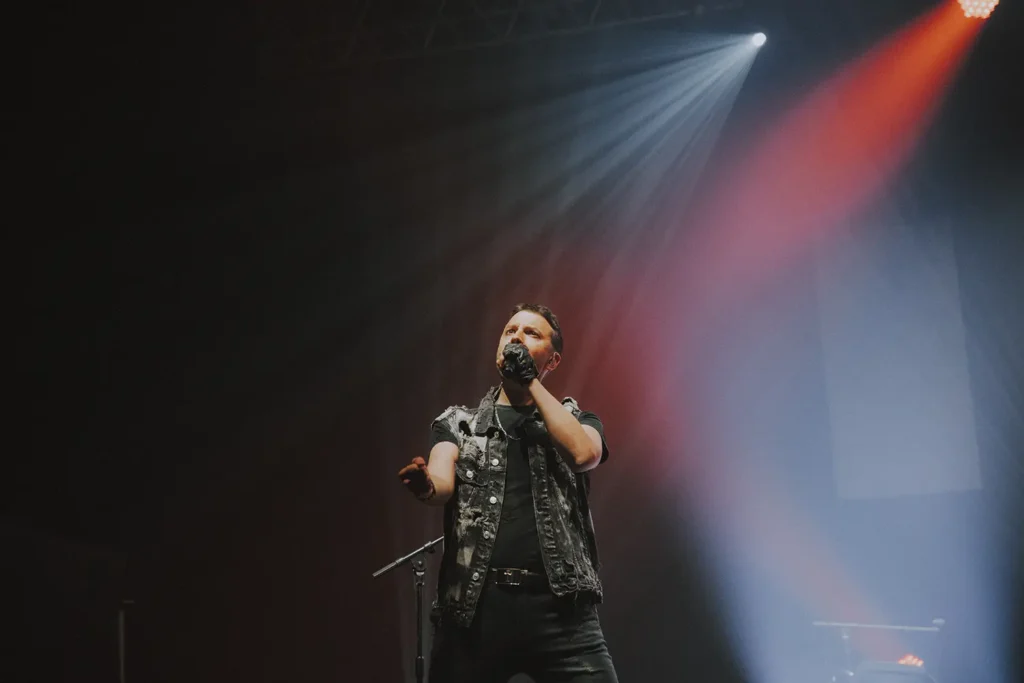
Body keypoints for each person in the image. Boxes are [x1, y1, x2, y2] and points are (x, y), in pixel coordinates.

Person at [398, 303, 619, 683]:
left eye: (531, 333)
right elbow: (441, 482)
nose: (516, 337)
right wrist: (426, 485)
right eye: (510, 331)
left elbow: (584, 454)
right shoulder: (459, 423)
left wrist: (530, 381)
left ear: (553, 359)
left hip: (561, 612)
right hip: (476, 610)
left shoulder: (579, 420)